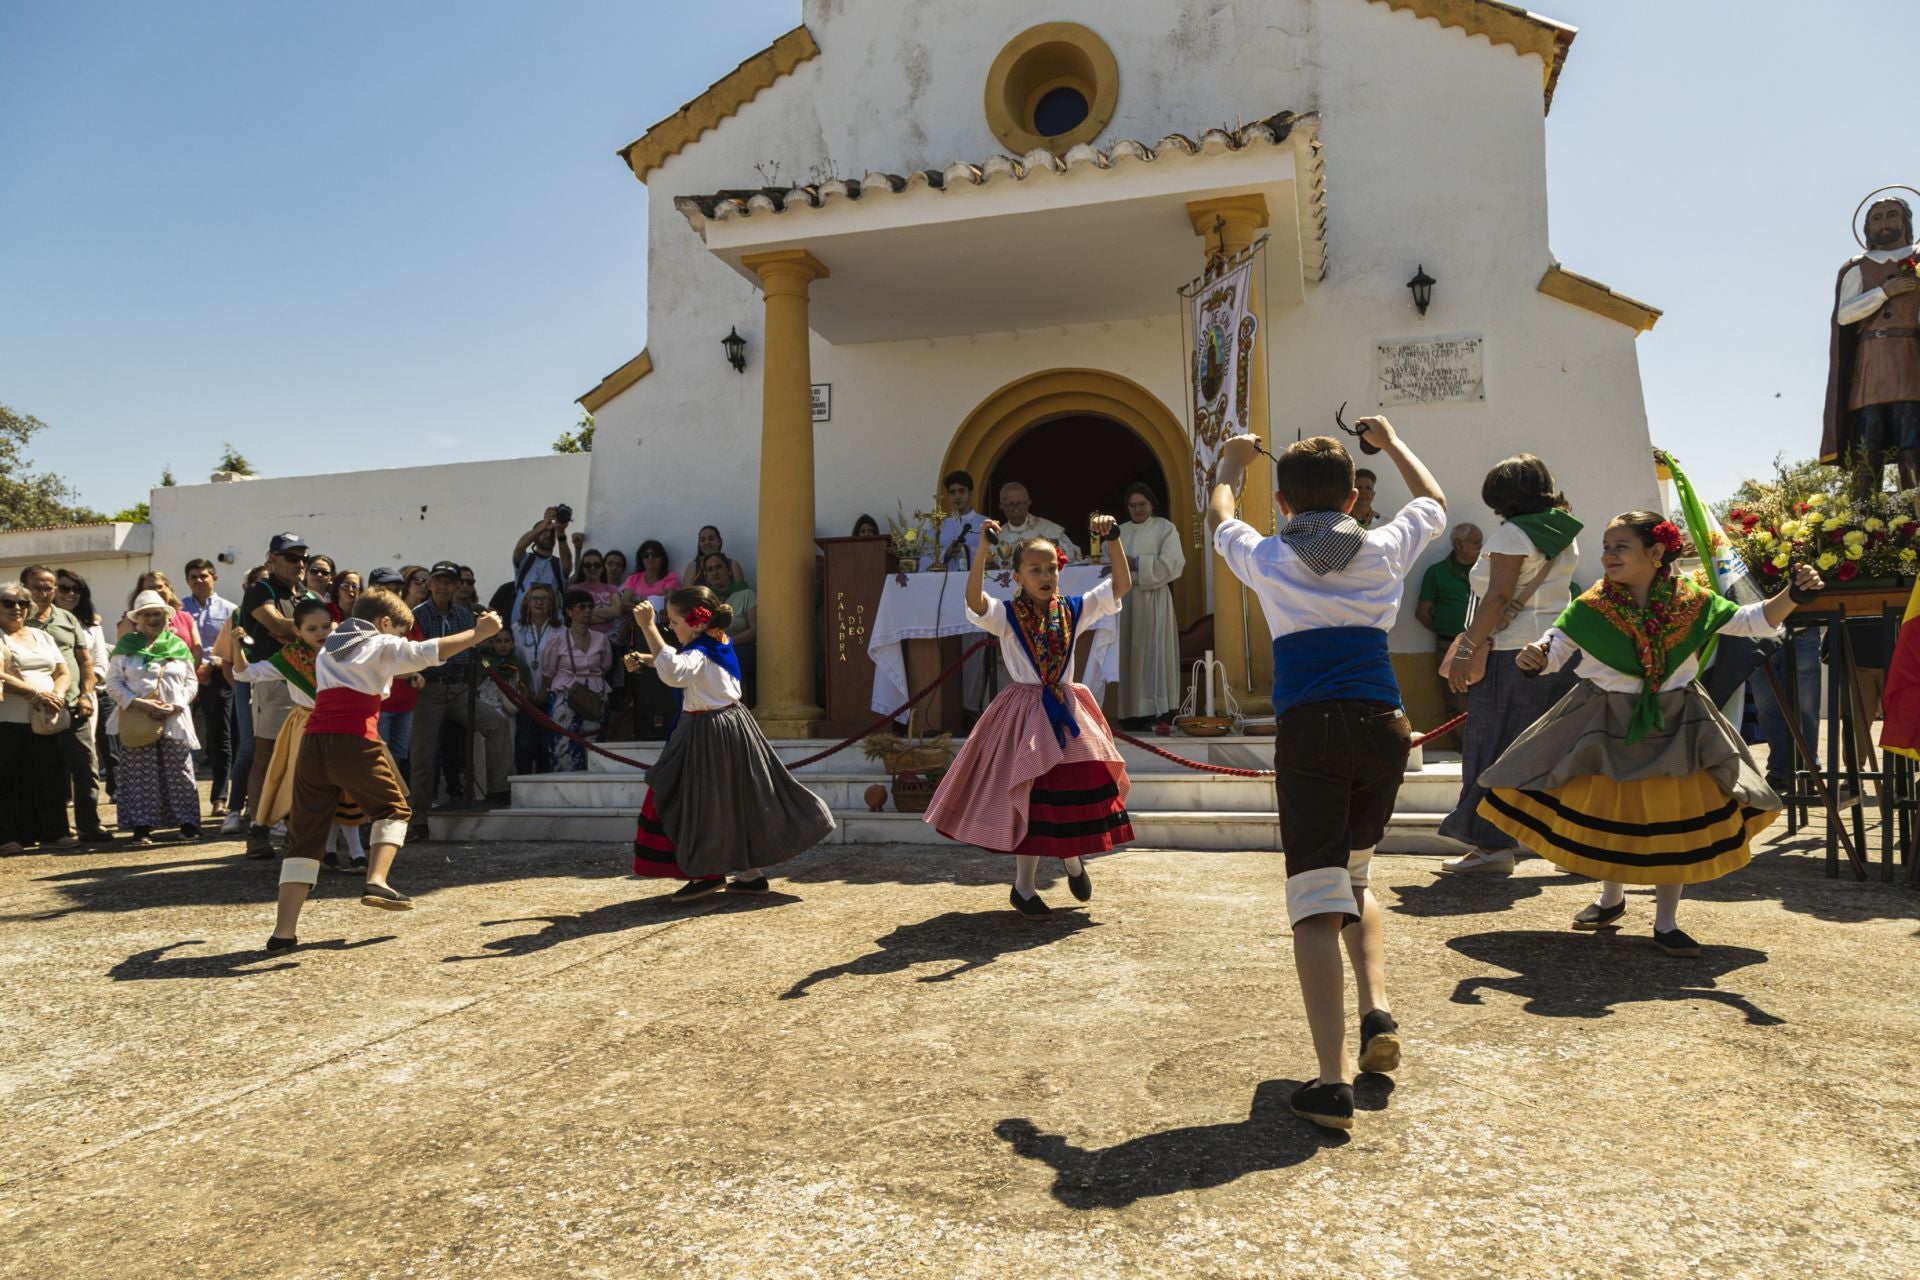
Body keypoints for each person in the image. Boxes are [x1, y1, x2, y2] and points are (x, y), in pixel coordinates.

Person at [1209, 417, 1446, 1133]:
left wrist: (1229, 463)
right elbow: (1433, 501)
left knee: (1315, 901)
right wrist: (1395, 441)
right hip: (1383, 726)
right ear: (1353, 499)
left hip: (1312, 730)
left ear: (1281, 504)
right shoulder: (1380, 548)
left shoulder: (1269, 555)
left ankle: (1333, 1081)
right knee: (1357, 874)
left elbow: (1220, 512)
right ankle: (1377, 1009)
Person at [1479, 515, 1819, 955]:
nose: (1608, 556)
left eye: (1620, 546)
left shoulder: (1691, 602)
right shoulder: (1593, 605)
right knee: (1613, 816)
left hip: (1676, 722)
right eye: (1606, 546)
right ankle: (1611, 899)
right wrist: (1537, 656)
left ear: (1656, 554)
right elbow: (1557, 644)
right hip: (1603, 723)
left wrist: (1793, 595)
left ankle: (1666, 922)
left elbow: (1752, 620)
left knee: (1668, 823)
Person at [265, 588, 501, 953]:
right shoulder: (379, 643)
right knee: (394, 809)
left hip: (314, 743)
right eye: (400, 631)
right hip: (354, 739)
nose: (402, 639)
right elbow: (428, 653)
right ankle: (376, 879)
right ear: (384, 622)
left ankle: (283, 933)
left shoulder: (331, 647)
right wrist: (480, 633)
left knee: (305, 837)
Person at [924, 514, 1134, 914]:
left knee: (1069, 792)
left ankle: (1072, 859)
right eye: (1035, 569)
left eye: (1051, 568)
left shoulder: (1074, 609)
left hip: (1067, 710)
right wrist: (983, 548)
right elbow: (973, 602)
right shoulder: (1006, 616)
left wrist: (1114, 540)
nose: (1045, 575)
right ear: (1017, 577)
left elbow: (1120, 586)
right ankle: (1023, 887)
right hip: (1025, 714)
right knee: (1034, 795)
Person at [626, 587, 834, 900]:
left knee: (697, 801)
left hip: (709, 731)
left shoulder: (701, 649)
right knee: (732, 800)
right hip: (729, 725)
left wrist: (648, 626)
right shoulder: (715, 641)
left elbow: (676, 673)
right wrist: (649, 658)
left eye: (673, 622)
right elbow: (686, 667)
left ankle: (705, 873)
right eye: (666, 623)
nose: (671, 628)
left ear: (695, 623)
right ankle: (750, 874)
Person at [1435, 457, 1583, 877]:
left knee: (1490, 745)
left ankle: (1490, 845)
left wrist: (1465, 651)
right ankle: (1574, 844)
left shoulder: (1513, 534)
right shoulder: (1564, 529)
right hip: (1557, 647)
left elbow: (1497, 599)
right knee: (1551, 750)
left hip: (1510, 655)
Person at [225, 597, 367, 866]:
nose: (321, 633)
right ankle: (326, 849)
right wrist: (236, 646)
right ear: (298, 631)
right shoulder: (291, 658)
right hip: (307, 727)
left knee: (345, 788)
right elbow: (245, 674)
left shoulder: (344, 653)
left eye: (325, 627)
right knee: (317, 791)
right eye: (312, 629)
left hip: (341, 724)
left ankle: (357, 851)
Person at [1823, 196, 1920, 499]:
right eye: (1876, 218)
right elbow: (1844, 314)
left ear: (1905, 221)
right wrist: (1884, 291)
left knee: (1913, 443)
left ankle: (1914, 519)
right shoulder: (1857, 268)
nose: (1885, 223)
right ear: (1867, 228)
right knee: (1868, 447)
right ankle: (1860, 524)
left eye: (1891, 216)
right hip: (1870, 368)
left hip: (1909, 362)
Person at [408, 561, 514, 820]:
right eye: (439, 581)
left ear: (456, 586)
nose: (443, 587)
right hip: (429, 688)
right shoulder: (417, 615)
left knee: (497, 723)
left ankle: (498, 790)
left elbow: (475, 651)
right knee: (423, 753)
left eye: (449, 582)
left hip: (459, 688)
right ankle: (419, 814)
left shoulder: (464, 615)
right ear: (430, 584)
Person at [104, 590, 202, 844]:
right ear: (137, 619)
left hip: (174, 718)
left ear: (165, 616)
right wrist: (140, 704)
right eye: (146, 614)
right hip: (137, 717)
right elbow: (113, 683)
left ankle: (188, 824)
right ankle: (142, 827)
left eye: (157, 614)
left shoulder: (178, 645)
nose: (152, 619)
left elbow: (191, 681)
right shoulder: (126, 647)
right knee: (139, 774)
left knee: (180, 771)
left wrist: (177, 705)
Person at [21, 565, 109, 845]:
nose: (43, 593)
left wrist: (86, 694)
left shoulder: (68, 620)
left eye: (49, 587)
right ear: (25, 588)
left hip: (73, 705)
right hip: (35, 709)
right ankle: (55, 830)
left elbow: (86, 662)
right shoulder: (18, 620)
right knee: (47, 773)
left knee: (86, 769)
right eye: (36, 587)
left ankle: (89, 826)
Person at [236, 534, 309, 857]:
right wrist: (308, 629)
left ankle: (297, 828)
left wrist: (300, 630)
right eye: (291, 558)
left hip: (304, 681)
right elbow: (278, 626)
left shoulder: (305, 594)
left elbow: (300, 631)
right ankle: (258, 829)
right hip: (272, 679)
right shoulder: (260, 589)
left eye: (303, 557)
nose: (300, 564)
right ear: (272, 560)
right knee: (265, 755)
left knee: (302, 758)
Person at [0, 582, 75, 853]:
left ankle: (53, 832)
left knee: (49, 776)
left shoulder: (40, 636)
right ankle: (7, 836)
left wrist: (57, 693)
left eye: (21, 603)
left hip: (45, 718)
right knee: (7, 779)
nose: (16, 608)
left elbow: (63, 671)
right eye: (8, 603)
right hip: (8, 719)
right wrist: (37, 694)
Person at [1115, 482, 1186, 729]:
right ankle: (1130, 713)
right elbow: (1107, 566)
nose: (1137, 510)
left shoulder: (1165, 528)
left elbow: (1172, 564)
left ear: (1151, 504)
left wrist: (1136, 565)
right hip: (1126, 603)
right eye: (1132, 505)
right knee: (1128, 657)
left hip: (1155, 600)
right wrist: (1133, 570)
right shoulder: (1118, 532)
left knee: (1154, 655)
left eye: (1142, 504)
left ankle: (1159, 711)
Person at [181, 559, 237, 819]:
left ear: (214, 577)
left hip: (216, 678)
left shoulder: (230, 610)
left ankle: (220, 797)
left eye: (204, 576)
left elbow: (235, 649)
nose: (198, 581)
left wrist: (211, 664)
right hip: (182, 678)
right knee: (179, 739)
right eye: (193, 576)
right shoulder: (178, 610)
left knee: (220, 740)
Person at [57, 571, 118, 802]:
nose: (70, 593)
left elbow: (100, 661)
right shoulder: (40, 623)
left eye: (76, 589)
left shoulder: (91, 624)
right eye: (64, 588)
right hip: (53, 697)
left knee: (87, 756)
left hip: (87, 697)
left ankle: (89, 817)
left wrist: (87, 688)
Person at [1415, 523, 1483, 724]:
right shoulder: (1436, 572)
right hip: (1449, 647)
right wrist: (1448, 634)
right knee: (1457, 702)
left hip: (1482, 647)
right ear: (1459, 544)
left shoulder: (1485, 572)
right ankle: (1463, 752)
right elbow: (1422, 613)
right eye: (1476, 542)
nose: (1481, 546)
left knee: (1484, 701)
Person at [542, 588, 611, 772]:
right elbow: (547, 672)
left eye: (590, 606)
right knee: (563, 743)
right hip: (564, 694)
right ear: (569, 611)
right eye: (582, 607)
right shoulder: (556, 639)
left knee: (594, 742)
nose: (587, 610)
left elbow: (605, 666)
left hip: (595, 693)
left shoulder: (601, 638)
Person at [372, 567, 425, 791]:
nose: (393, 594)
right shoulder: (366, 625)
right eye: (387, 590)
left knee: (399, 757)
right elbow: (377, 664)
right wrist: (410, 673)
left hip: (406, 704)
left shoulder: (407, 619)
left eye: (397, 590)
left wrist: (415, 671)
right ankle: (376, 811)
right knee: (379, 760)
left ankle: (392, 808)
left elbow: (419, 654)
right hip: (380, 705)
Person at [511, 583, 561, 773]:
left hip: (550, 694)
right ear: (527, 603)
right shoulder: (516, 629)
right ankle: (522, 783)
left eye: (544, 598)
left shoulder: (560, 630)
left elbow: (561, 664)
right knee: (524, 741)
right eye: (535, 598)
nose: (539, 602)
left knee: (545, 743)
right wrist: (525, 690)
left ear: (552, 604)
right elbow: (514, 662)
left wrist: (545, 690)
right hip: (524, 695)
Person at [699, 553, 757, 706]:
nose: (715, 572)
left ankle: (735, 710)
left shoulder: (746, 595)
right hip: (712, 650)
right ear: (706, 575)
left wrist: (729, 642)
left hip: (740, 648)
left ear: (729, 570)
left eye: (719, 567)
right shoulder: (704, 601)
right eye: (710, 570)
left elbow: (755, 629)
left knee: (734, 657)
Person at [511, 508, 577, 621]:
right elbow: (519, 548)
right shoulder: (526, 560)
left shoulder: (557, 564)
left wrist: (560, 532)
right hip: (522, 625)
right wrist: (544, 524)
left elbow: (567, 566)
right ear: (535, 536)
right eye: (543, 532)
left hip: (553, 628)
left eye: (551, 532)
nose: (548, 535)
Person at [992, 481, 1079, 563]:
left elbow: (1076, 556)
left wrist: (1056, 544)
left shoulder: (1048, 529)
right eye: (1011, 505)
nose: (1016, 510)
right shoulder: (997, 536)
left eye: (1020, 504)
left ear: (1028, 503)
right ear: (1002, 507)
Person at [932, 471, 984, 571]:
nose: (957, 496)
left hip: (975, 581)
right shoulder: (939, 525)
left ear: (971, 493)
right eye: (952, 492)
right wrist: (946, 554)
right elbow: (926, 557)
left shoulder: (985, 523)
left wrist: (966, 550)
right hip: (945, 582)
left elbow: (992, 556)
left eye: (962, 491)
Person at [572, 549, 623, 633]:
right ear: (582, 568)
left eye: (597, 565)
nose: (592, 568)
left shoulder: (611, 588)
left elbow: (617, 611)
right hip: (584, 638)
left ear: (602, 568)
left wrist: (587, 614)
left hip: (608, 639)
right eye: (588, 565)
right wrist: (609, 616)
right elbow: (576, 617)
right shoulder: (574, 589)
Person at [680, 526, 747, 589]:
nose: (707, 542)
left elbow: (741, 593)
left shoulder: (732, 564)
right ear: (699, 544)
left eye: (711, 539)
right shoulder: (693, 566)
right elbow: (686, 596)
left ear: (719, 541)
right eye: (703, 540)